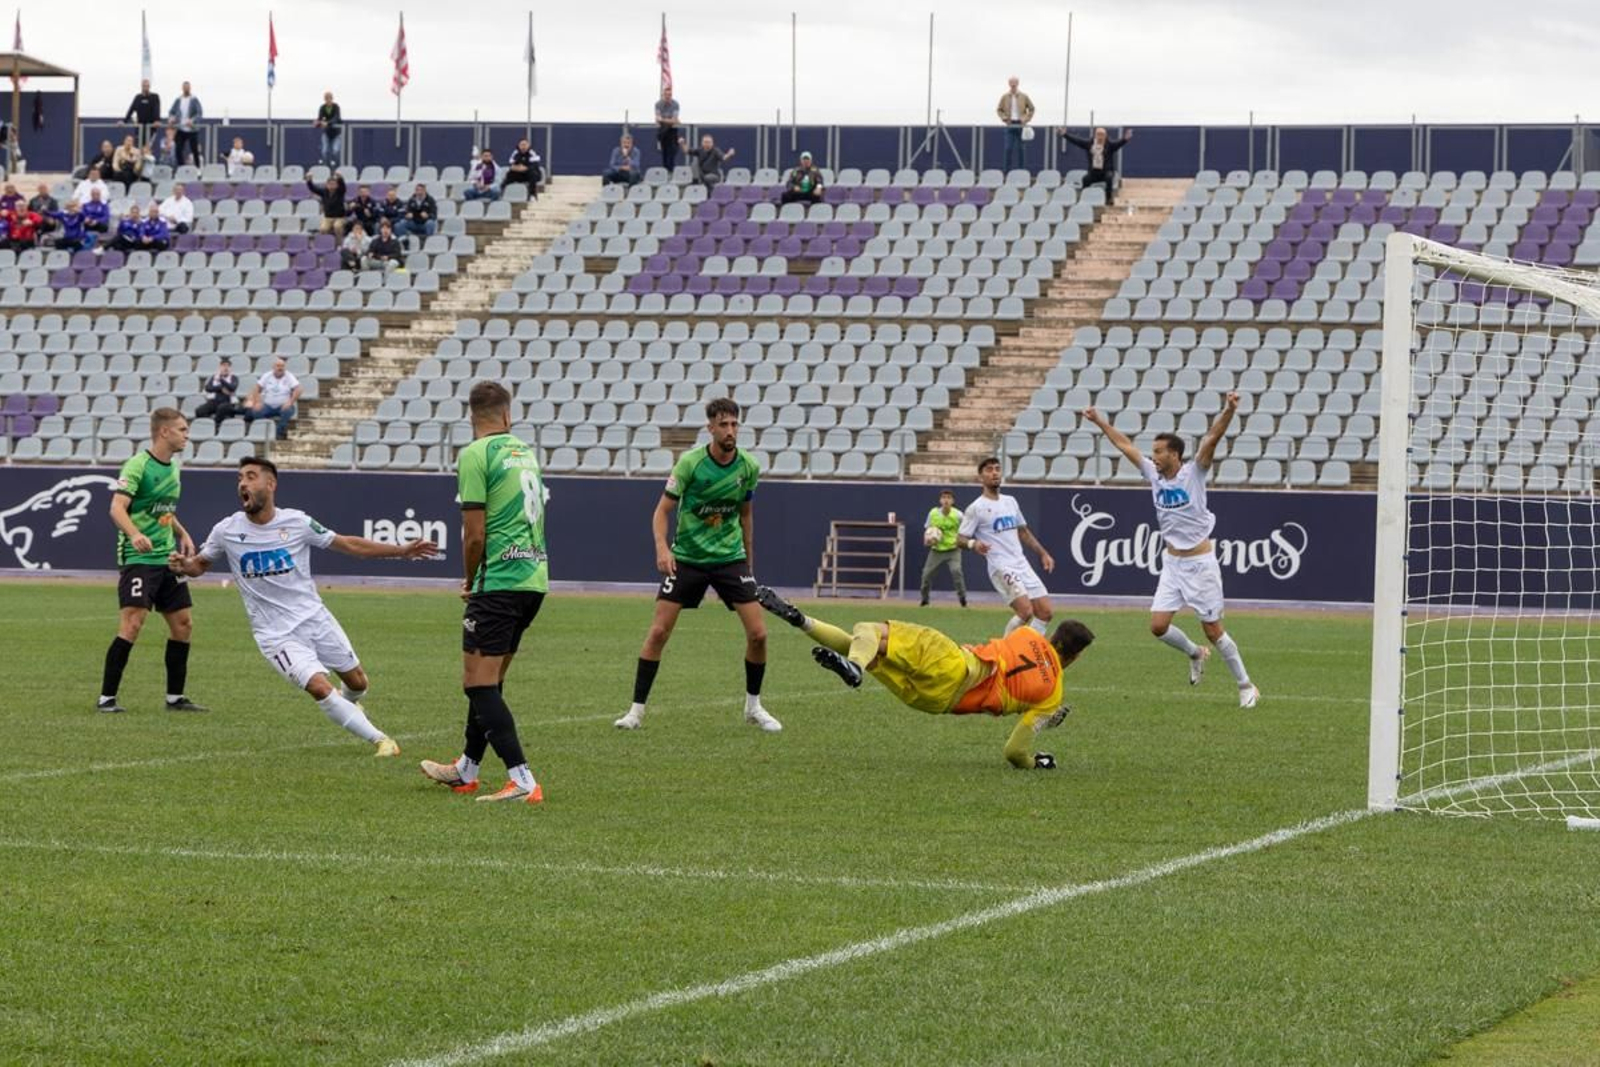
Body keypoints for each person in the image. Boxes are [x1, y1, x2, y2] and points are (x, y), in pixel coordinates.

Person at [167, 457, 438, 756]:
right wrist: (184, 566)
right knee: (319, 687)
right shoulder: (226, 530)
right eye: (240, 478)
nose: (243, 483)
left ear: (270, 484)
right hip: (274, 634)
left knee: (357, 681)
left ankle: (350, 703)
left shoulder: (297, 522)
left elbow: (349, 545)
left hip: (314, 618)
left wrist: (401, 550)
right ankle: (382, 740)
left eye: (251, 476)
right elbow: (200, 565)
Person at [756, 586, 1094, 770]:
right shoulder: (1052, 696)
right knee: (868, 645)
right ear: (1076, 656)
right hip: (935, 701)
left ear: (1053, 639)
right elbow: (1013, 752)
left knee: (867, 631)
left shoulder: (1027, 636)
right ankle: (803, 621)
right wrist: (1036, 759)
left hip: (958, 664)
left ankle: (831, 647)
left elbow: (1022, 661)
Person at [1081, 393, 1260, 708]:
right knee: (1157, 626)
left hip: (1200, 564)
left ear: (1175, 455)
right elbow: (1125, 446)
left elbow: (1212, 438)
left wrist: (1229, 410)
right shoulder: (1153, 475)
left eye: (1160, 452)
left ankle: (1246, 685)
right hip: (1172, 564)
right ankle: (1194, 653)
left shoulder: (1194, 473)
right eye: (1153, 452)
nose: (1154, 457)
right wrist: (1099, 422)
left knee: (1214, 631)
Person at [417, 381, 550, 803]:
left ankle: (523, 780)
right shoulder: (524, 452)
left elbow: (473, 535)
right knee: (490, 680)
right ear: (508, 416)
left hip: (499, 582)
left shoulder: (475, 455)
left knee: (477, 684)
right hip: (533, 579)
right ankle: (466, 769)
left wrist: (471, 581)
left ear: (471, 416)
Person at [615, 397, 780, 733]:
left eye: (734, 424)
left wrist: (748, 564)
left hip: (729, 559)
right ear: (710, 428)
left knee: (759, 635)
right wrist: (663, 549)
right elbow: (661, 512)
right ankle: (635, 711)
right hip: (688, 557)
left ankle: (753, 707)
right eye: (723, 424)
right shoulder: (689, 464)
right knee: (659, 632)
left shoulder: (748, 466)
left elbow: (746, 516)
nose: (730, 430)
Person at [99, 407, 206, 714]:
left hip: (167, 557)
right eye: (183, 429)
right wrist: (133, 534)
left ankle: (175, 698)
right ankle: (106, 698)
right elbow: (117, 508)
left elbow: (163, 510)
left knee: (183, 624)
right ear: (164, 432)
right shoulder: (138, 465)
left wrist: (182, 533)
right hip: (139, 557)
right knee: (133, 623)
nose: (187, 435)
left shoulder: (173, 467)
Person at [960, 457, 1056, 635]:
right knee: (1026, 611)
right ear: (981, 477)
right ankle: (1004, 654)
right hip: (1000, 566)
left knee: (1045, 613)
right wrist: (974, 544)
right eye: (989, 469)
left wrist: (1043, 553)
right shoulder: (976, 508)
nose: (994, 472)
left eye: (997, 468)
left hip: (1021, 563)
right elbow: (959, 539)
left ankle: (1028, 650)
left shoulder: (1010, 501)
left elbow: (1023, 532)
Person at [1060, 126, 1132, 206]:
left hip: (1106, 172)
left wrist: (1125, 139)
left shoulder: (1110, 145)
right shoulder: (1089, 144)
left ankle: (1108, 199)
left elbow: (1119, 143)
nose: (1100, 137)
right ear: (1095, 135)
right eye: (1098, 134)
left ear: (1106, 136)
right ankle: (1084, 198)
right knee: (1085, 179)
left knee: (1109, 177)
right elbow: (1077, 141)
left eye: (1102, 135)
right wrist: (1065, 135)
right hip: (1094, 172)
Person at [919, 489, 968, 608]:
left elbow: (965, 531)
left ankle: (963, 599)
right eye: (944, 497)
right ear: (940, 500)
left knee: (956, 572)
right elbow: (928, 529)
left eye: (948, 498)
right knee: (926, 574)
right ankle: (925, 600)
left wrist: (960, 541)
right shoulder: (933, 513)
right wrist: (928, 540)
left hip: (953, 549)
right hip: (936, 550)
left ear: (952, 501)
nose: (946, 500)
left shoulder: (958, 515)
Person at [244, 357, 301, 441]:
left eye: (282, 366)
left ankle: (278, 433)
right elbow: (256, 388)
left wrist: (290, 402)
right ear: (273, 367)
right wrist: (257, 402)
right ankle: (264, 431)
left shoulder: (289, 376)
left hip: (283, 405)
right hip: (268, 405)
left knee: (288, 411)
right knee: (256, 411)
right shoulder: (267, 375)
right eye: (278, 366)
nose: (280, 368)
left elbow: (299, 389)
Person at [996, 76, 1036, 172]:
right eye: (1011, 83)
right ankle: (1007, 172)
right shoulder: (1005, 97)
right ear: (1009, 84)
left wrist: (1026, 119)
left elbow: (1032, 108)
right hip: (1010, 124)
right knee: (1008, 149)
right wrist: (1004, 118)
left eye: (1015, 83)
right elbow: (999, 110)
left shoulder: (1024, 96)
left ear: (1017, 84)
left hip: (1020, 124)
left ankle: (1021, 171)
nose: (1013, 85)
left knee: (1021, 149)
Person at [195, 358, 240, 429]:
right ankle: (208, 424)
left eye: (228, 366)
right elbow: (208, 388)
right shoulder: (214, 377)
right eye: (223, 366)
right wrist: (220, 388)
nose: (226, 368)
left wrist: (221, 380)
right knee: (200, 410)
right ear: (220, 367)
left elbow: (232, 387)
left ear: (230, 368)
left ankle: (216, 426)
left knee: (221, 408)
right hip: (215, 401)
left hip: (228, 402)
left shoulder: (234, 378)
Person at [169, 81, 204, 167]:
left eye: (188, 87)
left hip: (192, 129)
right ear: (182, 88)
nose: (186, 89)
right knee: (178, 150)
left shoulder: (194, 99)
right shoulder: (178, 99)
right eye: (185, 87)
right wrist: (172, 118)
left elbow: (199, 113)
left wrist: (192, 121)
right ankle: (182, 167)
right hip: (181, 128)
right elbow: (171, 111)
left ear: (190, 88)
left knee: (194, 150)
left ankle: (198, 168)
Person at [123, 79, 162, 146]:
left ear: (149, 86)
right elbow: (131, 110)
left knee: (147, 147)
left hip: (151, 127)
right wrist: (124, 121)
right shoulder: (138, 97)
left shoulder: (155, 97)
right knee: (138, 146)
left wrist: (157, 120)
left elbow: (157, 108)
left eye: (147, 86)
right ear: (141, 86)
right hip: (140, 127)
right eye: (144, 86)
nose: (146, 87)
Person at [307, 172, 347, 236]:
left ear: (337, 185)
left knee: (337, 226)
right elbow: (313, 189)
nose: (331, 185)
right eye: (330, 184)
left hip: (340, 217)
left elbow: (343, 186)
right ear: (326, 185)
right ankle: (327, 244)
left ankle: (339, 244)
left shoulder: (340, 192)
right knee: (323, 229)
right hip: (327, 218)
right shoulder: (324, 192)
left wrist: (340, 178)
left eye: (333, 184)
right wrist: (309, 180)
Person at [400, 182, 436, 246]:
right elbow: (406, 212)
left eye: (421, 190)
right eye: (417, 190)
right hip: (414, 222)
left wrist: (428, 216)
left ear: (424, 191)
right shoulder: (411, 200)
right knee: (401, 223)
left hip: (424, 223)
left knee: (430, 223)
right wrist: (407, 215)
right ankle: (405, 242)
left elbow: (434, 215)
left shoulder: (430, 200)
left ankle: (427, 243)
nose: (419, 192)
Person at [654, 86, 680, 171]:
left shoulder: (675, 104)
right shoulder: (658, 104)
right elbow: (658, 119)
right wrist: (668, 120)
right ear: (663, 95)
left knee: (672, 153)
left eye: (670, 95)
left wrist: (663, 120)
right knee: (664, 154)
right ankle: (665, 172)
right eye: (666, 95)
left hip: (672, 131)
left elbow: (674, 120)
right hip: (662, 131)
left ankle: (671, 172)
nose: (668, 97)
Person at [314, 91, 342, 169]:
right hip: (326, 133)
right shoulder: (322, 107)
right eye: (326, 98)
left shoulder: (336, 107)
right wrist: (317, 122)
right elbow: (320, 118)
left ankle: (337, 167)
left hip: (336, 134)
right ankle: (325, 168)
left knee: (335, 150)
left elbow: (336, 118)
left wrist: (328, 123)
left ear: (332, 98)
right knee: (324, 151)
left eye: (329, 98)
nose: (328, 100)